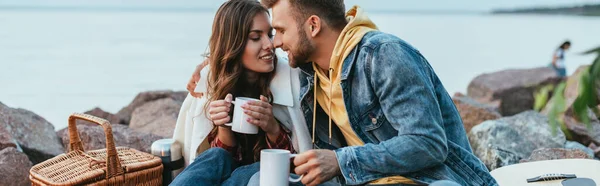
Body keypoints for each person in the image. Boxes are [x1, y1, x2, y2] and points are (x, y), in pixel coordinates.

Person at [257, 0, 499, 185]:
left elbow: (428, 143)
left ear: (313, 25)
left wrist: (341, 161)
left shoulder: (384, 55)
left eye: (280, 30)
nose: (275, 42)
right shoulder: (310, 74)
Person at [170, 0, 312, 185]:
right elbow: (222, 163)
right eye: (255, 37)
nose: (270, 44)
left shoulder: (292, 79)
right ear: (233, 44)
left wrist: (272, 128)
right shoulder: (211, 82)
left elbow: (294, 166)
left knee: (262, 167)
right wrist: (223, 126)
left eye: (269, 34)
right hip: (233, 176)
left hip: (265, 177)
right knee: (215, 155)